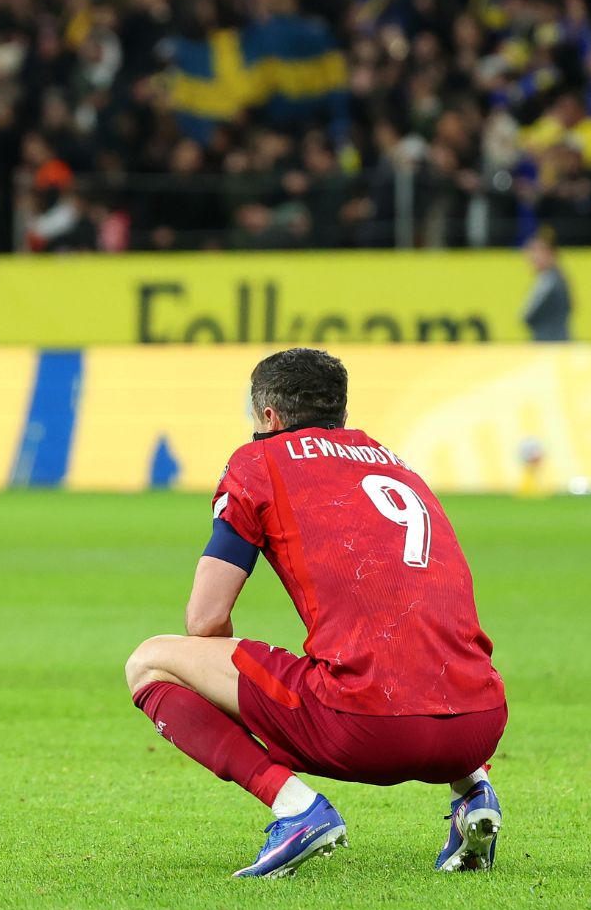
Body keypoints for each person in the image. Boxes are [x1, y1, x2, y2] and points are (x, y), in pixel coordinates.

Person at [124, 348, 509, 879]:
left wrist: (241, 699)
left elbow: (205, 622)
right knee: (417, 648)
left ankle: (295, 809)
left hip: (369, 727)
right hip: (479, 725)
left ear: (268, 418)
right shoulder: (398, 462)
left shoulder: (257, 461)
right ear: (342, 417)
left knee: (150, 662)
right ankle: (475, 794)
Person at [521, 227, 573, 342]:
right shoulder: (556, 279)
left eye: (537, 251)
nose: (533, 257)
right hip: (553, 342)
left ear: (549, 253)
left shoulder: (550, 281)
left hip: (551, 344)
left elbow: (528, 315)